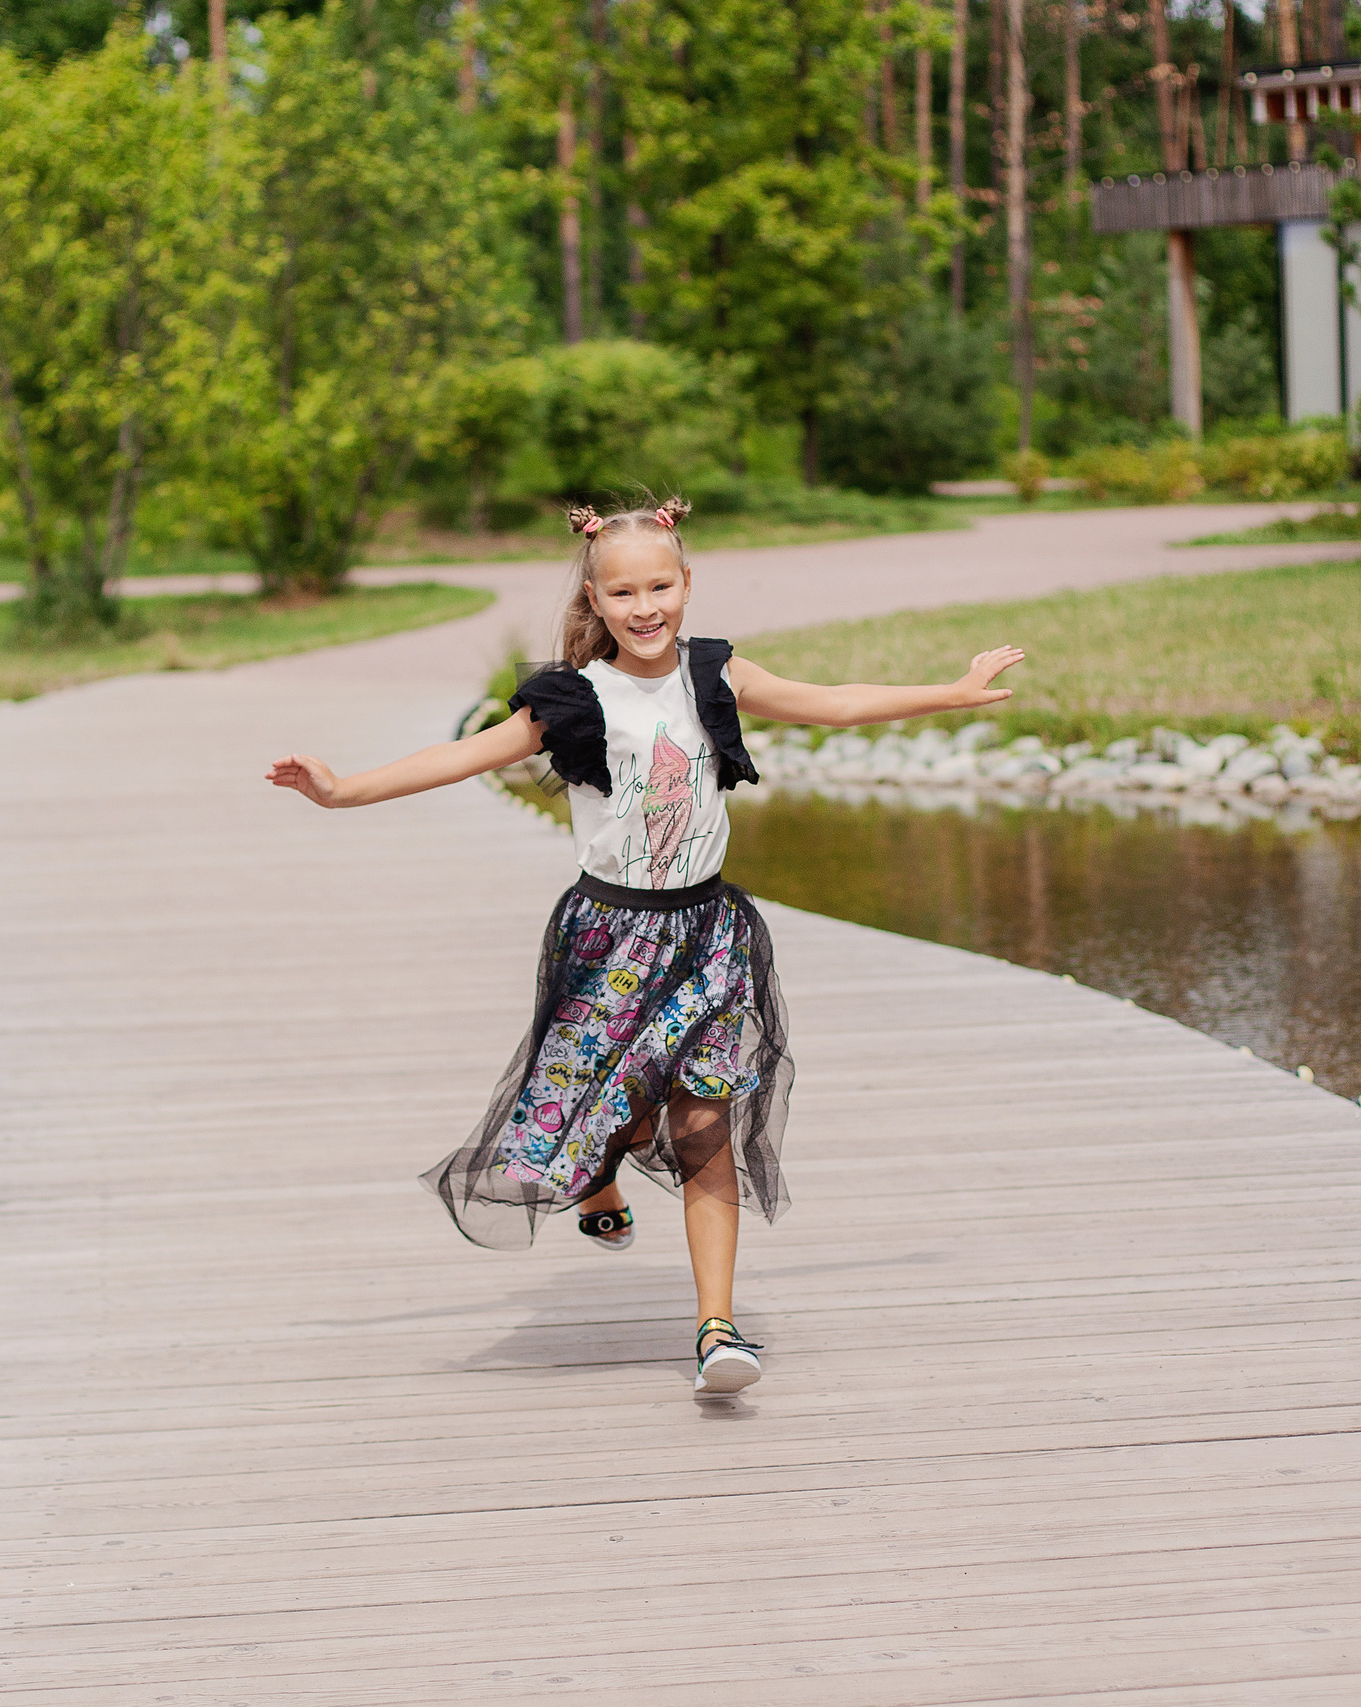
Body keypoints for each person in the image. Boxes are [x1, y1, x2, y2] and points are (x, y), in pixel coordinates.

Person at [266, 497, 1023, 1395]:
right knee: (609, 1110)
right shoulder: (575, 698)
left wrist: (951, 690)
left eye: (660, 584)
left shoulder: (718, 676)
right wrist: (343, 789)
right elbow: (461, 756)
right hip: (610, 937)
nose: (644, 605)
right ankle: (598, 1181)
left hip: (708, 937)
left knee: (705, 1124)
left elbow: (834, 703)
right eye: (622, 591)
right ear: (596, 594)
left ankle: (716, 1331)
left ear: (687, 584)